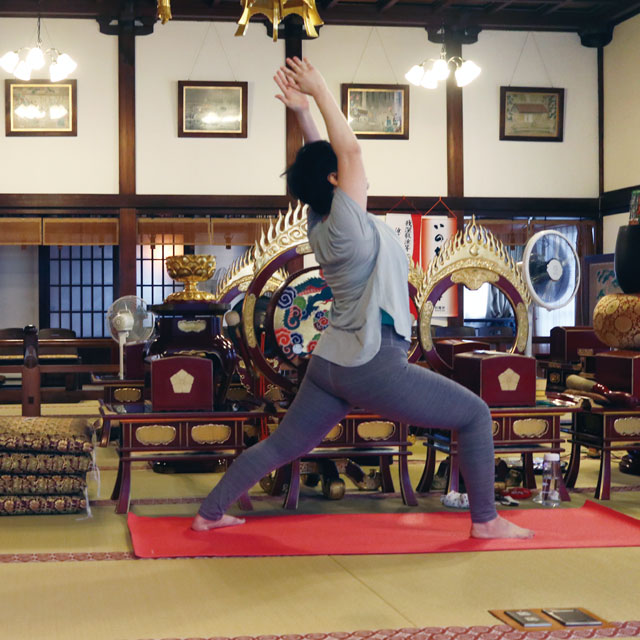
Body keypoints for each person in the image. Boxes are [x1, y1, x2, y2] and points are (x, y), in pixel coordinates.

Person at [192, 57, 533, 540]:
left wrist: (303, 114)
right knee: (475, 415)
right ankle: (486, 521)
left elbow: (323, 163)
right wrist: (320, 89)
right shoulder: (349, 220)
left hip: (332, 361)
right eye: (344, 173)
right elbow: (347, 152)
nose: (358, 176)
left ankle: (209, 512)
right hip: (373, 361)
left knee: (283, 445)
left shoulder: (322, 217)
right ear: (336, 181)